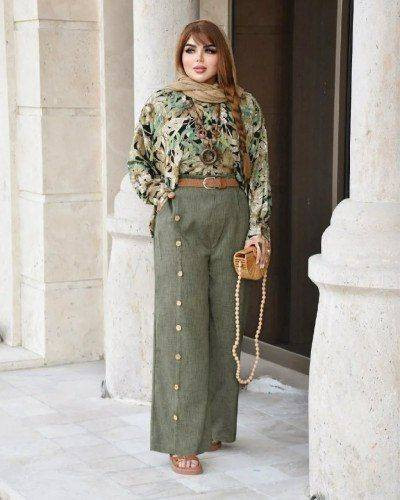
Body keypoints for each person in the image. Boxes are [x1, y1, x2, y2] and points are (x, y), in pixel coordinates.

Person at [126, 19, 272, 475]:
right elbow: (138, 160)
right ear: (180, 55)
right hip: (180, 216)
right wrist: (160, 196)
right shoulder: (163, 102)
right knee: (181, 323)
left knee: (224, 323)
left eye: (209, 50)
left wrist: (257, 228)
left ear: (221, 55)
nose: (199, 59)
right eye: (190, 50)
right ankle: (179, 438)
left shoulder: (244, 104)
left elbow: (259, 170)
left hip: (231, 212)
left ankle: (214, 424)